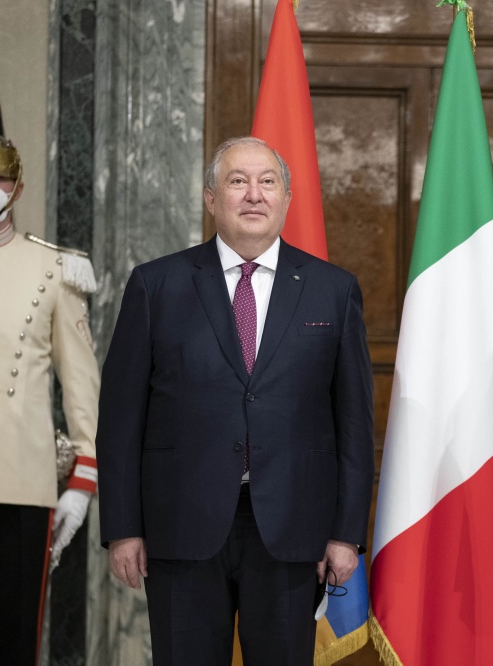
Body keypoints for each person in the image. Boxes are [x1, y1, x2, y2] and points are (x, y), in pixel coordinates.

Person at [96, 136, 374, 665]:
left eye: (267, 182)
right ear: (210, 198)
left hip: (293, 531)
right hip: (180, 525)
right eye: (237, 181)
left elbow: (353, 423)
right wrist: (122, 527)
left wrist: (346, 535)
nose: (253, 195)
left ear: (286, 198)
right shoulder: (156, 285)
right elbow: (120, 419)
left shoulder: (332, 290)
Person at [0, 82, 100, 665]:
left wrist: (82, 482)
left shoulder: (55, 268)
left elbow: (82, 384)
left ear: (20, 185)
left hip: (23, 477)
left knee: (15, 640)